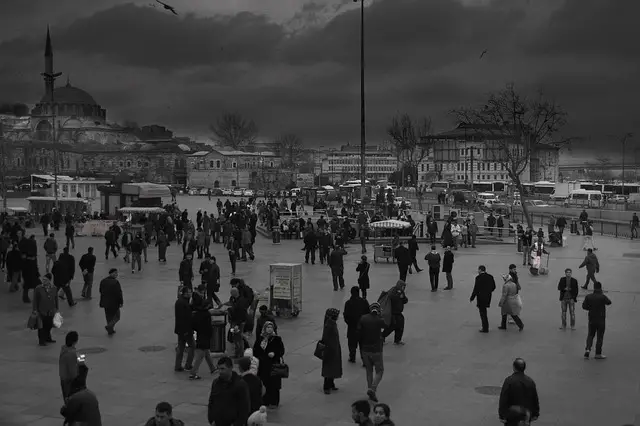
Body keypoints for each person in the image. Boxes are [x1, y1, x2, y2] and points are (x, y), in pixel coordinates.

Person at [207, 356, 251, 426]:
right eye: (218, 369)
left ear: (230, 368)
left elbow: (245, 408)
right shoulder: (216, 383)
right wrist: (211, 420)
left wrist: (236, 424)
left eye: (223, 369)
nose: (220, 372)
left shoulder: (240, 385)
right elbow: (211, 402)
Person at [357, 302, 386, 403]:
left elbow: (359, 329)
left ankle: (370, 389)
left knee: (369, 371)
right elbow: (386, 325)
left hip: (365, 349)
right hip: (376, 350)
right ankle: (372, 389)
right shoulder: (379, 320)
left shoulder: (363, 318)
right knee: (380, 370)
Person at [498, 358, 540, 426]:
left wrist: (502, 415)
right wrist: (535, 413)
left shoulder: (509, 381)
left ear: (514, 367)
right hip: (525, 415)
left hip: (512, 415)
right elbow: (534, 398)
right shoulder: (530, 381)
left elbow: (504, 398)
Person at [253, 321, 285, 408]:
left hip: (273, 365)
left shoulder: (277, 339)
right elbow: (255, 350)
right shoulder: (260, 339)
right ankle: (265, 401)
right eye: (267, 327)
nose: (269, 329)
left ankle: (274, 402)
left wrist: (274, 354)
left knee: (274, 384)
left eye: (271, 327)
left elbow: (281, 350)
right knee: (264, 383)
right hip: (263, 365)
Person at [582, 281, 612, 359]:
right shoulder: (602, 297)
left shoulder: (589, 296)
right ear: (600, 288)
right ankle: (598, 354)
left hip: (592, 318)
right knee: (600, 337)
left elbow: (584, 306)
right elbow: (609, 302)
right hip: (601, 319)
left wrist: (590, 308)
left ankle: (588, 349)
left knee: (590, 335)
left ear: (594, 287)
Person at [189, 294, 215, 380]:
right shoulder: (207, 315)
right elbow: (209, 327)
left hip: (200, 334)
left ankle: (212, 368)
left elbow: (193, 324)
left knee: (206, 353)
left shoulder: (197, 314)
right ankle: (193, 372)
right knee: (200, 355)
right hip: (205, 336)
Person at [343, 286, 370, 364]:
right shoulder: (364, 302)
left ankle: (352, 357)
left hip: (352, 327)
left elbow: (346, 316)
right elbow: (368, 313)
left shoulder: (348, 303)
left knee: (352, 344)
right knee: (363, 344)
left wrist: (350, 323)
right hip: (362, 327)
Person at [32, 273, 59, 346]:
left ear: (49, 280)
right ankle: (41, 341)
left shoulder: (54, 288)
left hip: (50, 311)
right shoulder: (38, 288)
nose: (43, 281)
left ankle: (48, 338)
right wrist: (35, 310)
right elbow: (35, 300)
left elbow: (56, 299)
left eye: (45, 280)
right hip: (41, 310)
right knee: (41, 326)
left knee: (49, 325)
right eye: (43, 279)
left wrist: (57, 309)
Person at [321, 308, 343, 394]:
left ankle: (331, 383)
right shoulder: (329, 325)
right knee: (329, 368)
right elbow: (325, 338)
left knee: (333, 367)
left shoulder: (331, 323)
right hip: (330, 349)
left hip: (334, 348)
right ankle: (326, 386)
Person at [470, 265, 496, 333]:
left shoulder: (478, 278)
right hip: (488, 296)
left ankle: (485, 328)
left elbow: (476, 289)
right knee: (484, 311)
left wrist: (472, 297)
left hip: (481, 297)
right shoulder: (490, 277)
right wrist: (489, 291)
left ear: (480, 270)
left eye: (478, 270)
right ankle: (485, 327)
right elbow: (493, 286)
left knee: (482, 313)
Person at [174, 286, 194, 372]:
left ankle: (178, 365)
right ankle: (188, 365)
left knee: (181, 347)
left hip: (180, 329)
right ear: (185, 293)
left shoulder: (180, 301)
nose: (191, 293)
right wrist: (186, 330)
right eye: (189, 292)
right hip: (186, 329)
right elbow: (184, 318)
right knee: (192, 346)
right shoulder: (183, 303)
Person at [381, 280, 408, 345]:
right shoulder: (393, 290)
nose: (403, 288)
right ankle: (382, 336)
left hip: (399, 313)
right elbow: (391, 297)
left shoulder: (401, 292)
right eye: (403, 287)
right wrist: (399, 296)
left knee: (400, 326)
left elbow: (405, 301)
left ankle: (397, 340)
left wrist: (403, 297)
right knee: (391, 326)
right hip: (393, 313)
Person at [98, 268, 123, 336]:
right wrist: (121, 302)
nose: (116, 274)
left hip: (105, 302)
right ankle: (109, 326)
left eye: (117, 273)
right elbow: (119, 293)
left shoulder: (103, 281)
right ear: (111, 273)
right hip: (114, 302)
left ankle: (110, 330)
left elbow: (100, 290)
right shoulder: (115, 282)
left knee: (108, 316)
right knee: (117, 316)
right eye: (115, 273)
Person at [59, 331, 79, 401]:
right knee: (71, 400)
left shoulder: (64, 350)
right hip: (69, 380)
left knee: (67, 399)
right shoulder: (71, 353)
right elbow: (72, 370)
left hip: (63, 378)